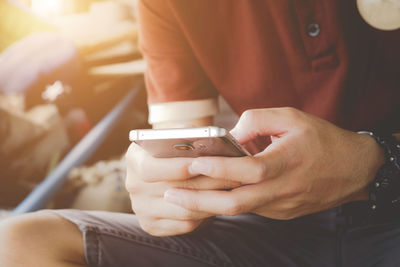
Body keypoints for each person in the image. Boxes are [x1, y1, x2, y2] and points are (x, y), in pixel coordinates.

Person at [1, 0, 400, 266]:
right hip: (269, 223)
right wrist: (162, 189)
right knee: (20, 243)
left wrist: (374, 162)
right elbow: (178, 140)